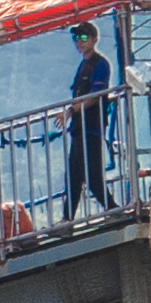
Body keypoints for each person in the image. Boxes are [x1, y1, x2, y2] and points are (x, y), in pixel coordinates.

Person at [65, 21, 112, 222]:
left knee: (91, 174)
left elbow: (94, 96)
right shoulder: (83, 65)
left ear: (94, 39)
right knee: (74, 176)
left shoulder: (100, 64)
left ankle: (112, 209)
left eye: (84, 38)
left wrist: (71, 110)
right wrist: (71, 112)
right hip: (79, 128)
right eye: (76, 38)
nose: (79, 42)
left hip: (91, 128)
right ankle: (67, 219)